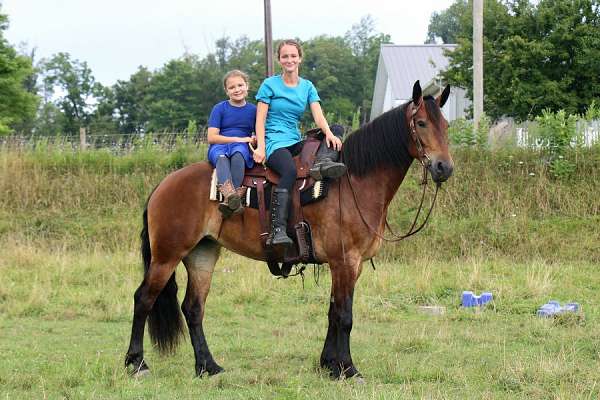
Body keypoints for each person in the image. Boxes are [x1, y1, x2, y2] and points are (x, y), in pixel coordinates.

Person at [253, 39, 346, 248]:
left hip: (294, 139)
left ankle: (324, 164)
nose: (289, 60)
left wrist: (329, 133)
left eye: (293, 56)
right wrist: (260, 146)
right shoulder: (269, 85)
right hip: (274, 141)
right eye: (285, 56)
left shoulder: (307, 86)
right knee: (288, 171)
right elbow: (260, 119)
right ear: (279, 59)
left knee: (337, 130)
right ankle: (277, 229)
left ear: (300, 58)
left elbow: (318, 116)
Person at [207, 70, 256, 218]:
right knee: (221, 157)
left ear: (247, 86)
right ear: (226, 91)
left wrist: (253, 139)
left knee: (239, 154)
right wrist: (238, 139)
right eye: (232, 87)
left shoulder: (253, 110)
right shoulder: (219, 108)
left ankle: (230, 202)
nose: (237, 90)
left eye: (240, 85)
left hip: (241, 146)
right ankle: (232, 197)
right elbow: (212, 137)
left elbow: (258, 133)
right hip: (220, 145)